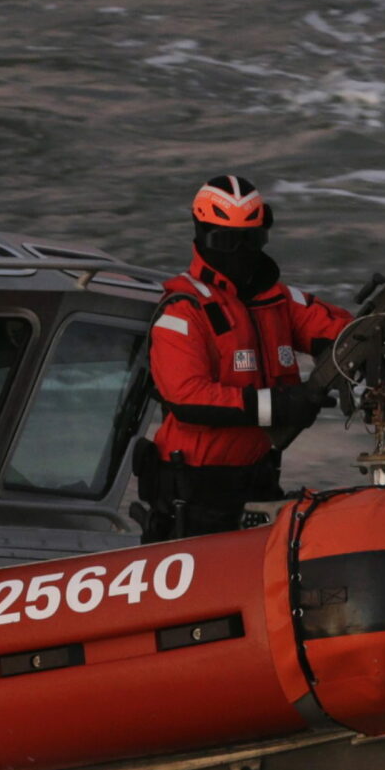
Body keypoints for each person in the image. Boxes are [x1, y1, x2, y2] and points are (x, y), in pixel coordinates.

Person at [138, 174, 354, 541]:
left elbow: (347, 332)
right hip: (192, 496)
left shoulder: (279, 302)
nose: (238, 252)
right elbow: (187, 396)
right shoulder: (183, 311)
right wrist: (280, 405)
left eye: (250, 240)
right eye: (226, 241)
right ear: (201, 234)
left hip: (257, 485)